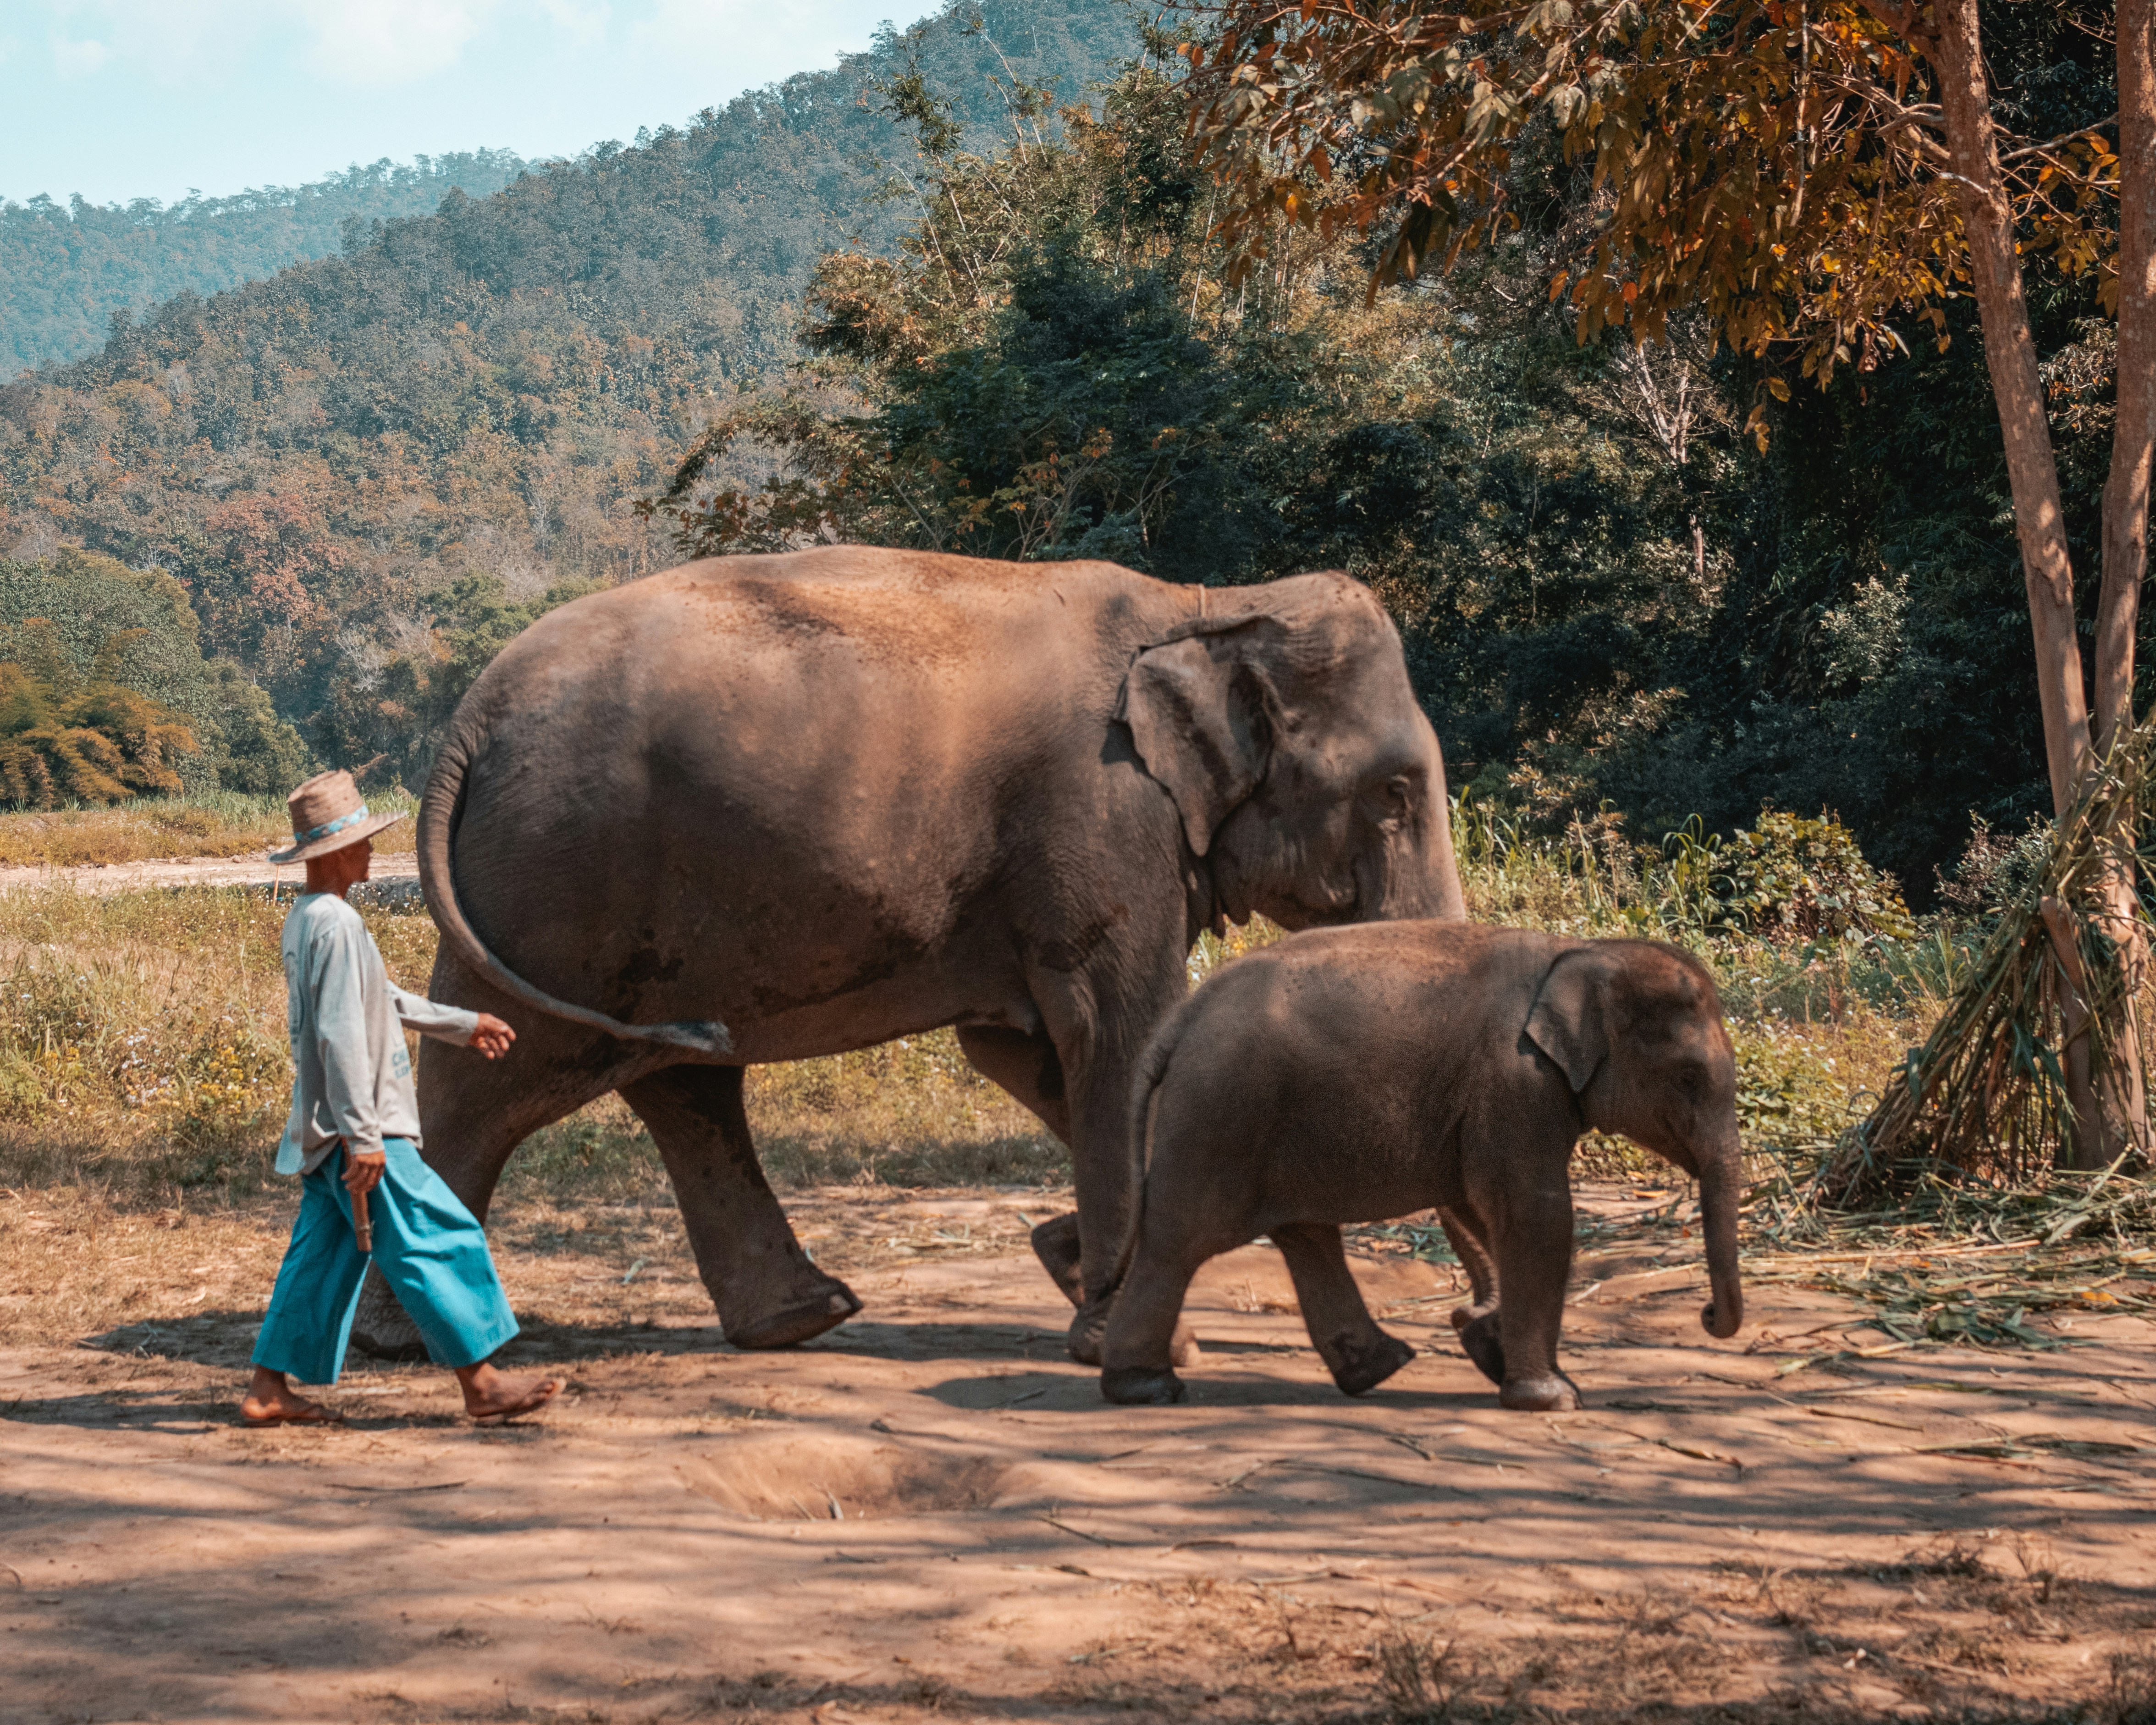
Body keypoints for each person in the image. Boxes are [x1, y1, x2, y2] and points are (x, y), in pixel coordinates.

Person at [240, 769, 561, 1427]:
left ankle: (269, 1387)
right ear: (331, 854)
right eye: (361, 841)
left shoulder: (310, 918)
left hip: (324, 1130)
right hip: (361, 1127)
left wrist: (462, 1023)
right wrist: (364, 1135)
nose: (370, 851)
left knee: (321, 1258)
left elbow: (376, 1001)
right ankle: (482, 1381)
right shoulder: (335, 922)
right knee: (437, 1235)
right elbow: (338, 1032)